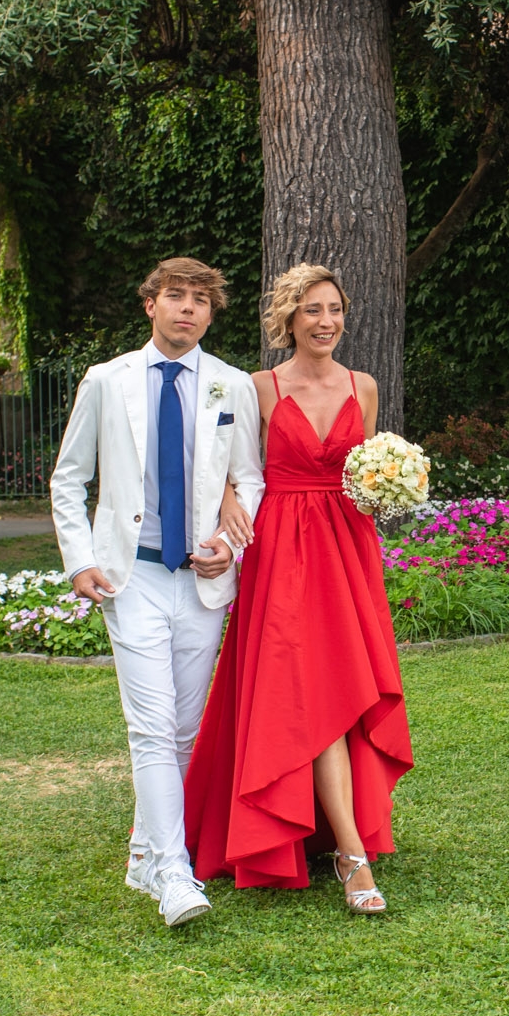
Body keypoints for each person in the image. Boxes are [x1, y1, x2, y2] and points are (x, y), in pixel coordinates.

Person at [184, 263, 413, 913]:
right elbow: (219, 460)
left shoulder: (361, 386)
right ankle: (351, 854)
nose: (326, 322)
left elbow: (366, 469)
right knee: (308, 694)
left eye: (334, 309)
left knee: (336, 688)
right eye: (312, 310)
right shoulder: (257, 386)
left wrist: (392, 482)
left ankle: (338, 842)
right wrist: (229, 496)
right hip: (281, 550)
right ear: (289, 317)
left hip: (345, 550)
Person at [51, 258, 264, 928]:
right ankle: (175, 872)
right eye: (176, 296)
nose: (188, 310)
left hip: (201, 579)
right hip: (132, 574)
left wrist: (230, 543)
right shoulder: (107, 382)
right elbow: (69, 478)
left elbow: (250, 478)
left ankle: (145, 852)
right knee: (150, 725)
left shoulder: (232, 385)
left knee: (181, 731)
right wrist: (80, 559)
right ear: (151, 304)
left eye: (201, 301)